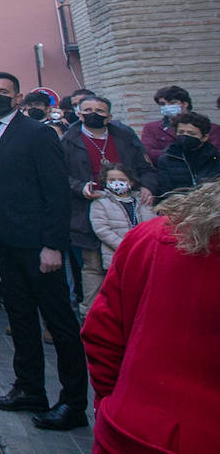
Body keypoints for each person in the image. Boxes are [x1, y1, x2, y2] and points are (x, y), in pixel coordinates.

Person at [0, 72, 89, 432]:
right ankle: (29, 388)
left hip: (38, 246)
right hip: (3, 245)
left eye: (3, 92)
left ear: (18, 97)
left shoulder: (38, 133)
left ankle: (73, 402)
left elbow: (55, 191)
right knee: (20, 321)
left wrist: (52, 245)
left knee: (59, 323)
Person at [80, 180, 220, 452]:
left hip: (127, 429)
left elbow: (102, 335)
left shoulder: (150, 236)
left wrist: (112, 405)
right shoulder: (151, 238)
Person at [61, 94, 156, 312]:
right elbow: (59, 176)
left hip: (128, 217)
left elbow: (146, 169)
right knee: (93, 271)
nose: (93, 114)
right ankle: (94, 319)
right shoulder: (67, 141)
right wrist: (80, 187)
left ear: (109, 116)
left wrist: (148, 188)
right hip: (85, 217)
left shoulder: (125, 137)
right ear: (79, 113)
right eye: (88, 109)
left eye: (100, 111)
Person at [88, 165, 155, 272]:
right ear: (105, 181)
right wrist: (126, 247)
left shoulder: (143, 200)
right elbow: (102, 230)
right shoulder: (100, 202)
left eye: (122, 180)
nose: (117, 183)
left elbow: (154, 225)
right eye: (112, 180)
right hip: (117, 257)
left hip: (146, 254)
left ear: (131, 182)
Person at [155, 111, 220, 198]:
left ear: (204, 137)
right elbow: (166, 191)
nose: (185, 136)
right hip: (177, 206)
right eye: (181, 132)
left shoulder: (215, 157)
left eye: (191, 133)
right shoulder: (167, 158)